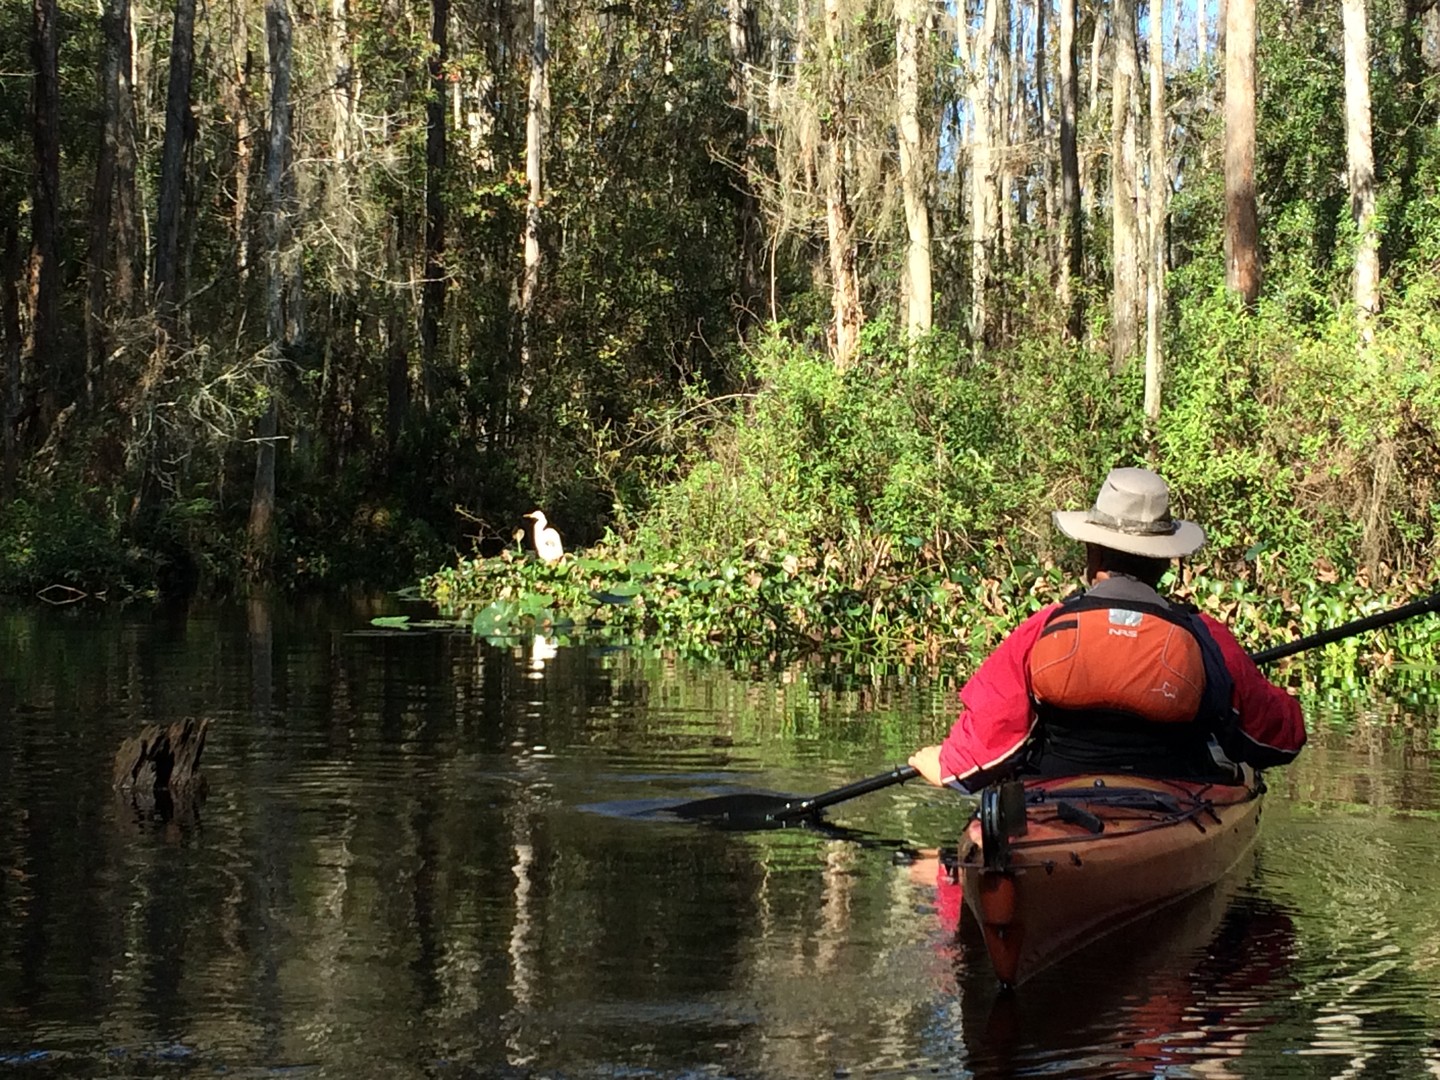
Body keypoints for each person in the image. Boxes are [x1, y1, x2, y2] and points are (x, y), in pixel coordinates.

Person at [908, 466, 1305, 792]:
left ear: (1092, 553)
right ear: (1165, 562)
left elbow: (990, 734)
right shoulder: (1206, 637)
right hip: (1180, 796)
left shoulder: (1043, 627)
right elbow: (1277, 739)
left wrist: (945, 764)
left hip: (1054, 792)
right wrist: (1289, 708)